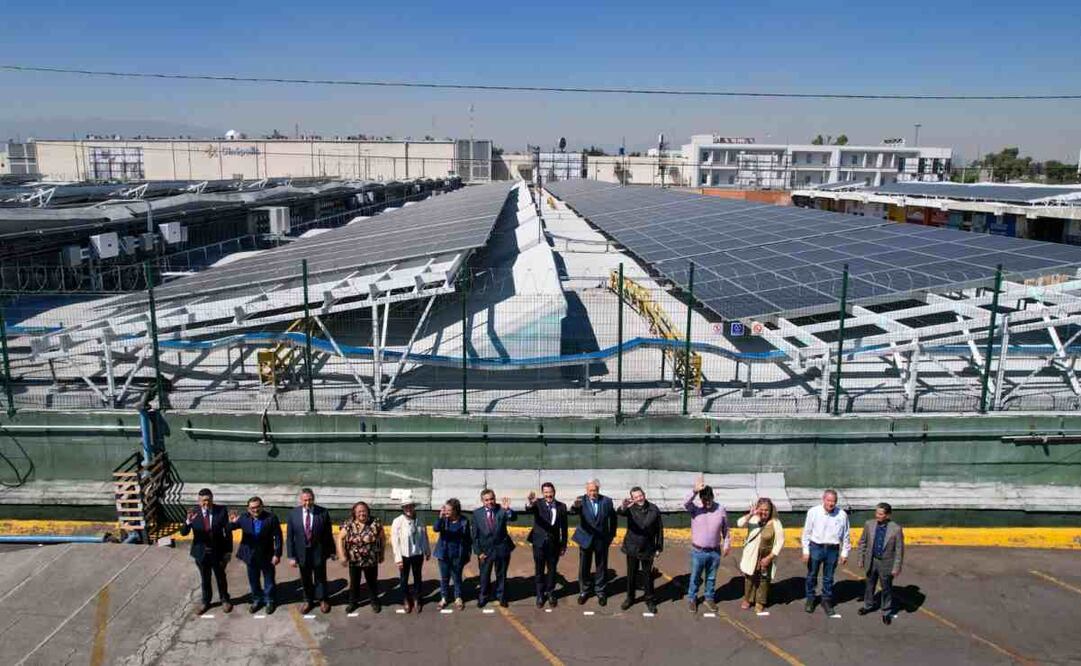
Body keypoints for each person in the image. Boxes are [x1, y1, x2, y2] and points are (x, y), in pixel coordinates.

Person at [179, 488, 234, 616]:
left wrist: (228, 551)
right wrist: (188, 521)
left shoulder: (221, 511)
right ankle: (205, 602)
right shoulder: (193, 513)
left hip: (217, 552)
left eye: (208, 500)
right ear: (199, 501)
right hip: (201, 553)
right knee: (205, 579)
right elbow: (183, 532)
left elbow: (228, 533)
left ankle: (225, 600)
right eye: (203, 501)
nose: (206, 503)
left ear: (212, 499)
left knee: (221, 577)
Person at [228, 496, 283, 615]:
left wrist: (277, 554)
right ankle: (257, 600)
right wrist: (231, 522)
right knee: (253, 580)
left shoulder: (271, 518)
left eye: (258, 507)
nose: (255, 510)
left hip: (267, 555)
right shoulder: (243, 518)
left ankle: (269, 600)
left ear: (262, 506)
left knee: (269, 580)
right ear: (248, 509)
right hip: (250, 556)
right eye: (252, 508)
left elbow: (278, 537)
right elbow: (230, 528)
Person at [286, 488, 336, 614]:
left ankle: (322, 599)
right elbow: (290, 537)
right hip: (302, 553)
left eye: (310, 500)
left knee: (320, 577)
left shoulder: (323, 512)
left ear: (313, 499)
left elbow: (328, 534)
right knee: (305, 578)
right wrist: (291, 556)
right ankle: (308, 600)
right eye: (305, 500)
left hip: (319, 551)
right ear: (300, 500)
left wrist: (332, 551)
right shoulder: (293, 514)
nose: (307, 503)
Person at [685, 475, 731, 613]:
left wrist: (727, 543)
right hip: (698, 551)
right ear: (700, 499)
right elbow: (685, 503)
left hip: (714, 551)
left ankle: (709, 597)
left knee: (711, 577)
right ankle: (692, 598)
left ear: (713, 496)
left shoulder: (721, 510)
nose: (707, 502)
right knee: (694, 577)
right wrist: (694, 491)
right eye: (704, 500)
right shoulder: (695, 509)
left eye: (709, 499)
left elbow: (725, 529)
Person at [801, 488, 851, 615]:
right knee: (812, 575)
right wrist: (806, 551)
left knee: (828, 577)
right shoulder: (813, 512)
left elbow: (846, 535)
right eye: (828, 500)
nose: (830, 504)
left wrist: (844, 553)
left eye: (833, 501)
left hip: (832, 549)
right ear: (823, 499)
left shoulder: (842, 515)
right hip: (816, 547)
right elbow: (806, 532)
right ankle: (810, 599)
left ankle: (826, 600)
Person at [570, 478, 617, 606]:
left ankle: (600, 591)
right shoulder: (581, 500)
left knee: (601, 566)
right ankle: (584, 591)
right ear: (586, 490)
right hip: (585, 539)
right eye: (590, 490)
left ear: (598, 490)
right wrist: (575, 506)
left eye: (595, 490)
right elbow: (573, 511)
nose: (592, 493)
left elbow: (613, 519)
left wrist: (611, 535)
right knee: (584, 566)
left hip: (601, 540)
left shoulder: (606, 501)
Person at [616, 486, 663, 614]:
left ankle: (649, 600)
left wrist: (659, 547)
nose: (639, 498)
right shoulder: (630, 509)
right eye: (635, 497)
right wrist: (623, 506)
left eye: (640, 495)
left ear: (644, 494)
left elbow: (659, 529)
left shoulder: (654, 509)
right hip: (632, 547)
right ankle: (630, 598)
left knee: (647, 576)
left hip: (648, 548)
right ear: (632, 499)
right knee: (631, 575)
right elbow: (620, 512)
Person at [857, 502, 904, 625]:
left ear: (888, 515)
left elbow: (899, 550)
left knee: (886, 589)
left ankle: (886, 612)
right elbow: (863, 542)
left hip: (886, 563)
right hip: (871, 561)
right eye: (876, 513)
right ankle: (868, 605)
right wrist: (861, 559)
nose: (877, 515)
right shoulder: (869, 524)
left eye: (881, 514)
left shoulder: (896, 529)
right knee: (869, 585)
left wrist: (896, 567)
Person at [737, 497, 784, 613]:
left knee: (763, 579)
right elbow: (739, 524)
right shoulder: (753, 520)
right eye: (761, 509)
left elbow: (780, 541)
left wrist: (770, 557)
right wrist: (750, 514)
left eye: (767, 510)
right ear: (758, 509)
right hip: (752, 554)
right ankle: (748, 599)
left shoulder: (776, 523)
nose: (764, 512)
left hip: (766, 555)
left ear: (771, 510)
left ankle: (760, 602)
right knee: (749, 577)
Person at [471, 488, 516, 608]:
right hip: (485, 551)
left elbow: (512, 517)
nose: (489, 502)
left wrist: (508, 510)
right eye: (486, 500)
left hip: (502, 548)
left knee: (501, 575)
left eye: (491, 499)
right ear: (482, 501)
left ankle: (501, 596)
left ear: (495, 498)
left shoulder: (502, 509)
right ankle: (483, 596)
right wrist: (479, 552)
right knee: (484, 575)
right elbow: (474, 536)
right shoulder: (476, 514)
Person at [337, 500, 385, 614]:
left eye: (364, 511)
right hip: (354, 560)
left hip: (371, 559)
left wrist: (382, 553)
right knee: (354, 583)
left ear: (368, 511)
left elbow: (382, 538)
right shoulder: (349, 524)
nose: (362, 514)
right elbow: (339, 538)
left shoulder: (375, 522)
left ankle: (374, 601)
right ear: (354, 513)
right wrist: (342, 555)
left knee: (372, 582)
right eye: (359, 512)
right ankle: (353, 602)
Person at [525, 482, 568, 609]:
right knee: (539, 570)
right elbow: (529, 509)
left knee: (552, 570)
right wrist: (530, 502)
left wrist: (563, 545)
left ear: (554, 492)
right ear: (543, 493)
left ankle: (550, 593)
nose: (548, 495)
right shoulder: (537, 504)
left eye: (550, 492)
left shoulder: (562, 506)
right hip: (539, 543)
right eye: (546, 492)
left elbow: (564, 528)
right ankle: (539, 595)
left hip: (554, 544)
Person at [390, 493, 430, 613]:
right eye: (406, 507)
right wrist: (398, 558)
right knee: (404, 579)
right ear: (403, 508)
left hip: (417, 554)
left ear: (413, 507)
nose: (409, 509)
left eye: (410, 506)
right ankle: (406, 599)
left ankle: (417, 598)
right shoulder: (397, 521)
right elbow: (394, 541)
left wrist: (427, 550)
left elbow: (424, 536)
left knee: (418, 577)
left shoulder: (420, 520)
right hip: (404, 556)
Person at [434, 498, 471, 610]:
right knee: (444, 578)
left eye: (448, 510)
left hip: (457, 554)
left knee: (457, 577)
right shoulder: (444, 520)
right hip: (444, 554)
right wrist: (440, 518)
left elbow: (468, 539)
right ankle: (444, 598)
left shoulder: (464, 521)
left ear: (455, 510)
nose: (446, 512)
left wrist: (468, 553)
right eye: (445, 509)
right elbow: (435, 528)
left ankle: (458, 597)